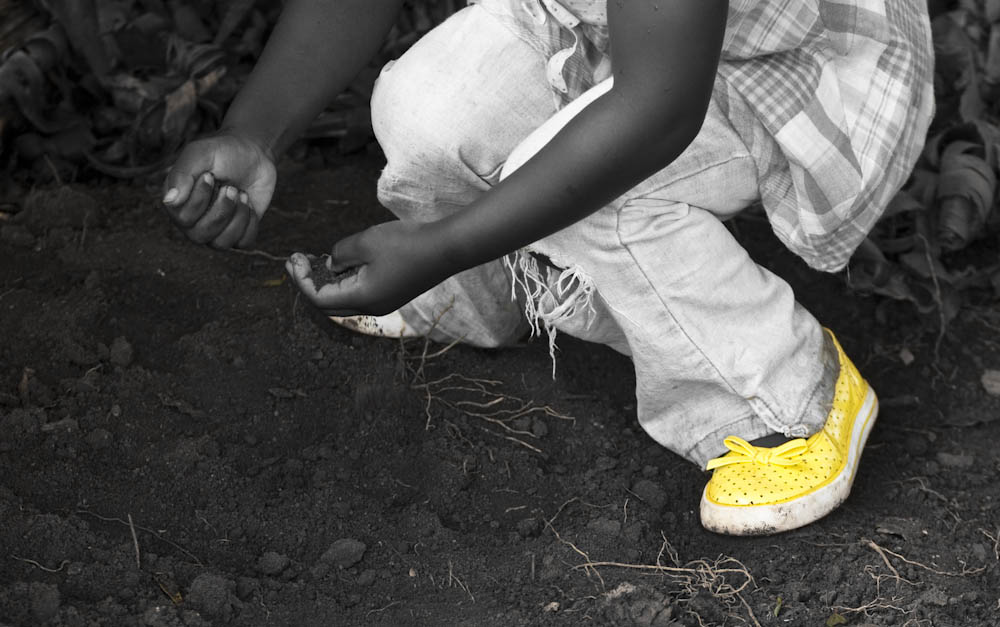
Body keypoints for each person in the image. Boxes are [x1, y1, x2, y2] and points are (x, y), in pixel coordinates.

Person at [160, 0, 934, 535]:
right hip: (592, 23)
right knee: (426, 107)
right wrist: (255, 131)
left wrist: (441, 243)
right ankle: (496, 288)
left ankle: (787, 399)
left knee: (598, 190)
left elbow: (655, 112)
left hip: (782, 66)